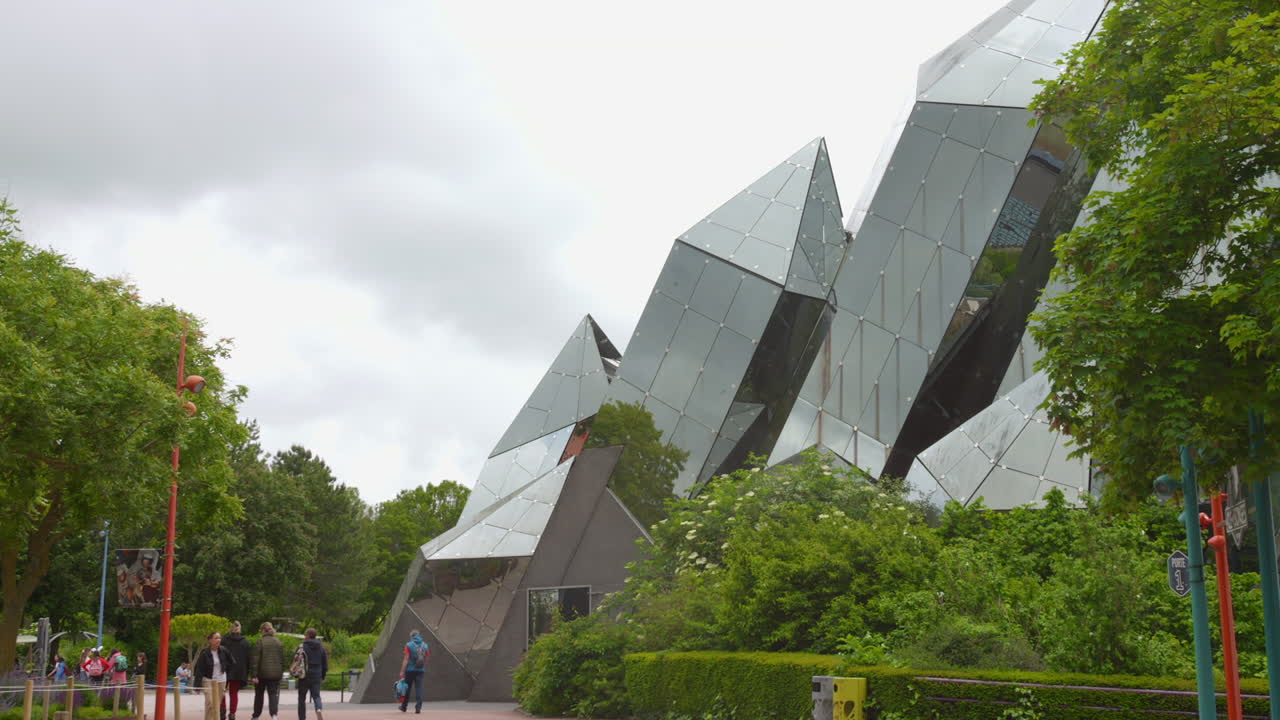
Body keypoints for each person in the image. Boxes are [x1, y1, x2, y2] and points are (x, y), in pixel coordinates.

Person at [193, 632, 236, 720]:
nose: (218, 640)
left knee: (217, 704)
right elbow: (199, 670)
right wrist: (197, 686)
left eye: (219, 638)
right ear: (210, 640)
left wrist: (226, 670)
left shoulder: (224, 650)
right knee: (210, 703)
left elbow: (232, 662)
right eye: (216, 638)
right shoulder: (204, 653)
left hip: (221, 680)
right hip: (208, 680)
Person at [249, 622, 285, 720]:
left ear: (263, 630)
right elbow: (282, 660)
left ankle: (256, 715)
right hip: (275, 674)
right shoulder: (278, 642)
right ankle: (274, 715)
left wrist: (254, 675)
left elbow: (255, 660)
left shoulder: (260, 642)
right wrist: (280, 673)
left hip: (262, 674)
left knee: (259, 695)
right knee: (273, 694)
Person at [296, 628, 327, 720]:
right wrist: (323, 676)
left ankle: (302, 718)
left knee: (301, 698)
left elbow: (296, 661)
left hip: (304, 675)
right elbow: (325, 664)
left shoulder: (302, 647)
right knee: (316, 696)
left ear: (308, 636)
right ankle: (318, 709)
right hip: (316, 675)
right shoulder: (321, 648)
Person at [396, 630, 430, 714]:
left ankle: (404, 707)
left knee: (407, 688)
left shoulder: (409, 645)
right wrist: (423, 665)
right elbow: (427, 657)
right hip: (420, 670)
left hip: (409, 670)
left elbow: (406, 659)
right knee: (419, 688)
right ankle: (418, 708)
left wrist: (402, 671)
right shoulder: (425, 645)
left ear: (411, 637)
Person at [222, 622, 251, 720]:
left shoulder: (224, 640)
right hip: (239, 671)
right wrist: (246, 673)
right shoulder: (245, 642)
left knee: (222, 691)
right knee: (233, 693)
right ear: (240, 629)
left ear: (230, 629)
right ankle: (232, 713)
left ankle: (222, 711)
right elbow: (248, 659)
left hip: (224, 670)